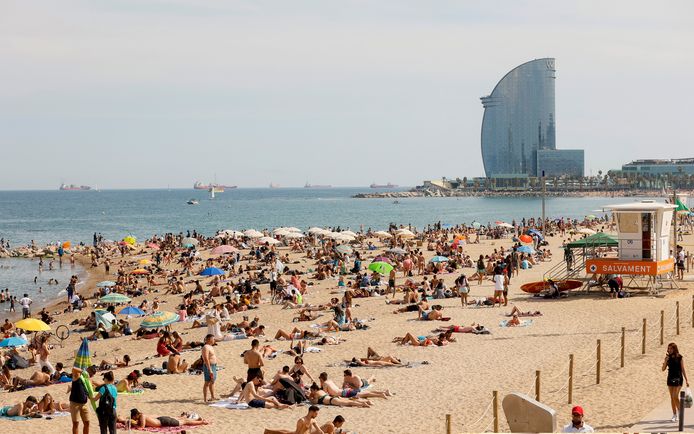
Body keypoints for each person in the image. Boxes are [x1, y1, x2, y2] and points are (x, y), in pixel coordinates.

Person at [663, 342, 689, 422]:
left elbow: (683, 369)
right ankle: (674, 415)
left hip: (678, 378)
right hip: (670, 378)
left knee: (675, 396)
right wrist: (665, 361)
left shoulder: (679, 357)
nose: (669, 350)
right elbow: (663, 369)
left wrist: (686, 379)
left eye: (671, 348)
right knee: (672, 398)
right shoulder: (667, 358)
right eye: (668, 348)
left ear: (674, 349)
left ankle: (680, 412)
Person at [125, 408, 208, 428]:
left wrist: (133, 425)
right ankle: (198, 420)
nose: (134, 419)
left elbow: (141, 427)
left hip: (163, 421)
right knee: (183, 420)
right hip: (161, 419)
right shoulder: (142, 415)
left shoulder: (142, 416)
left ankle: (201, 422)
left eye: (134, 417)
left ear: (136, 415)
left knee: (185, 422)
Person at [69, 367, 90, 434]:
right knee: (76, 423)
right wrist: (83, 372)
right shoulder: (76, 377)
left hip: (84, 403)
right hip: (75, 404)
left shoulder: (85, 379)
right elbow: (73, 368)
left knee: (87, 422)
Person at [201, 334, 217, 402]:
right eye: (213, 339)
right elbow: (206, 358)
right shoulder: (205, 347)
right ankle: (205, 399)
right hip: (209, 366)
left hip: (213, 366)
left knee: (212, 381)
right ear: (209, 339)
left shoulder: (210, 346)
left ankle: (213, 397)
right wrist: (209, 369)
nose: (214, 340)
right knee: (207, 382)